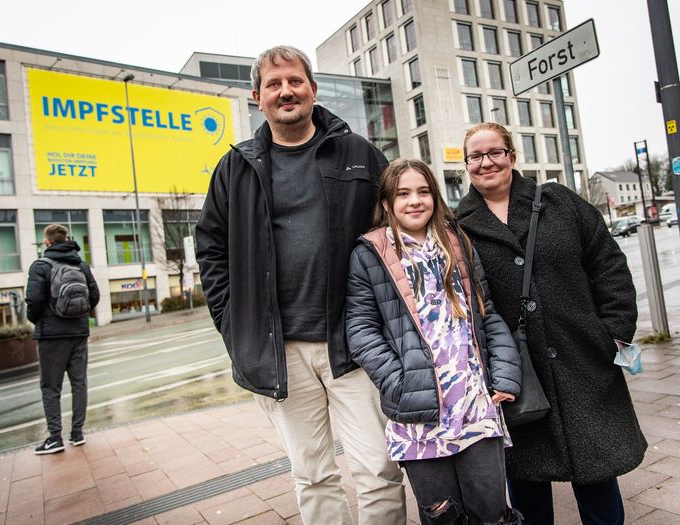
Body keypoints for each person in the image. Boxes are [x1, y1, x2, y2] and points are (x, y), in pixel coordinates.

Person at [195, 46, 406, 525]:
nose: (285, 91)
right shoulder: (236, 168)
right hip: (279, 351)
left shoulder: (359, 154)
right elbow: (210, 248)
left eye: (294, 81)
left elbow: (400, 231)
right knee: (312, 474)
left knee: (379, 467)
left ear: (312, 88)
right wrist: (235, 326)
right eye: (274, 84)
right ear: (258, 97)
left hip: (355, 342)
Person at [456, 122, 647, 525]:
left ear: (511, 155)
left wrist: (613, 331)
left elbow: (607, 263)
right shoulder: (459, 225)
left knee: (597, 473)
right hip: (514, 375)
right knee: (526, 481)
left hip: (582, 357)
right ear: (466, 164)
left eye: (495, 152)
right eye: (476, 156)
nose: (486, 162)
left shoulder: (559, 202)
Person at [346, 158, 522, 525]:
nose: (415, 201)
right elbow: (361, 330)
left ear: (435, 197)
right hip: (418, 416)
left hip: (476, 406)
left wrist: (503, 378)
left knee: (491, 511)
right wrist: (400, 384)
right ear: (387, 202)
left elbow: (486, 312)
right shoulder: (370, 253)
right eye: (403, 193)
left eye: (423, 191)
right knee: (442, 517)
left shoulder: (456, 243)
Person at [25, 224, 100, 455]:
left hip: (51, 336)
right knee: (79, 384)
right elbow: (94, 296)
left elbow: (34, 301)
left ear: (47, 242)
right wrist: (80, 317)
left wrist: (37, 320)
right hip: (79, 333)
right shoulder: (81, 265)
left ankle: (55, 438)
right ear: (67, 239)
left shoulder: (40, 266)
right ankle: (77, 434)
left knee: (51, 387)